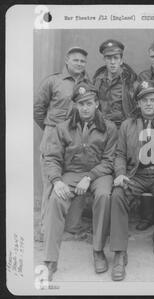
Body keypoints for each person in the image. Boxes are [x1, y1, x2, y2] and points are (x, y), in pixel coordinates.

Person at [42, 82, 118, 281]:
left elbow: (109, 161)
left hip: (99, 174)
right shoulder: (62, 128)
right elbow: (52, 159)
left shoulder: (109, 128)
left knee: (103, 196)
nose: (85, 107)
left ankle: (98, 250)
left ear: (97, 104)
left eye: (89, 103)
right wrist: (57, 181)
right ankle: (50, 260)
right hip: (72, 174)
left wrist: (89, 177)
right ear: (75, 105)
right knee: (55, 199)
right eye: (81, 103)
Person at [110, 80, 154, 281]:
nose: (148, 104)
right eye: (144, 100)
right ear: (138, 104)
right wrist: (120, 174)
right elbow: (119, 154)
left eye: (152, 100)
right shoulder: (127, 125)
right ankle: (119, 252)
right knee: (117, 196)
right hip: (135, 175)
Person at [34, 46, 91, 237]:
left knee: (72, 183)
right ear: (67, 60)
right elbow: (38, 109)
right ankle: (44, 230)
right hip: (53, 140)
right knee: (51, 185)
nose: (80, 64)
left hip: (75, 143)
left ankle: (70, 227)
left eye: (83, 61)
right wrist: (52, 130)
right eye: (76, 60)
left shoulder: (87, 83)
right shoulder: (53, 81)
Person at [93, 39, 138, 128]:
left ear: (121, 60)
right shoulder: (97, 81)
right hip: (102, 128)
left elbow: (138, 109)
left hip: (122, 128)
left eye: (116, 58)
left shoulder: (130, 82)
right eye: (109, 58)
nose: (112, 62)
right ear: (104, 60)